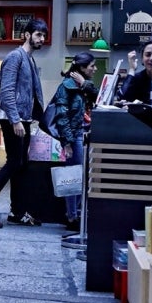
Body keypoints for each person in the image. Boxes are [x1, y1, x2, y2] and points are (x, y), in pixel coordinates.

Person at [0, 18, 47, 228]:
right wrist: (15, 120)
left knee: (21, 165)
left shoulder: (29, 59)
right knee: (14, 162)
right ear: (27, 35)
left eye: (43, 35)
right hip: (12, 119)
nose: (42, 39)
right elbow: (6, 90)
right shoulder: (15, 57)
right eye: (38, 35)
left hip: (23, 118)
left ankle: (17, 211)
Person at [51, 52, 98, 231]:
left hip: (82, 135)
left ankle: (75, 213)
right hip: (74, 137)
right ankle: (72, 216)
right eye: (91, 66)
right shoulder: (66, 87)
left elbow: (98, 97)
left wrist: (84, 84)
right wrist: (67, 142)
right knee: (73, 178)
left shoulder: (83, 86)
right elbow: (62, 116)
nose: (94, 69)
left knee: (80, 176)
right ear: (81, 68)